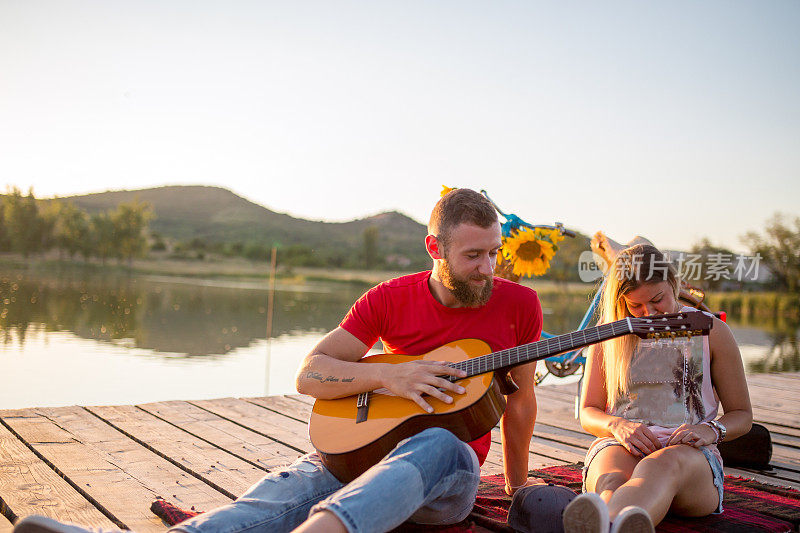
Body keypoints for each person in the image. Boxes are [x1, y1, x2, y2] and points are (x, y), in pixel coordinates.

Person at [15, 188, 543, 533]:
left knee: (438, 442)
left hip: (447, 479)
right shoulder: (388, 298)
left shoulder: (519, 305)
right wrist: (391, 374)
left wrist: (518, 490)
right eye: (473, 255)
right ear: (435, 247)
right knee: (281, 493)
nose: (487, 268)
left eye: (493, 252)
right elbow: (310, 373)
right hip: (365, 455)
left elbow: (521, 406)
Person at [561, 244, 752, 533]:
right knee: (612, 479)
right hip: (623, 442)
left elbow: (742, 414)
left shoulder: (712, 331)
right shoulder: (609, 333)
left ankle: (604, 524)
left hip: (689, 455)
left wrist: (710, 430)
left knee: (659, 466)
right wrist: (617, 425)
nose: (648, 313)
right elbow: (588, 412)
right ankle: (618, 524)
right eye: (634, 306)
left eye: (657, 299)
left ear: (673, 283)